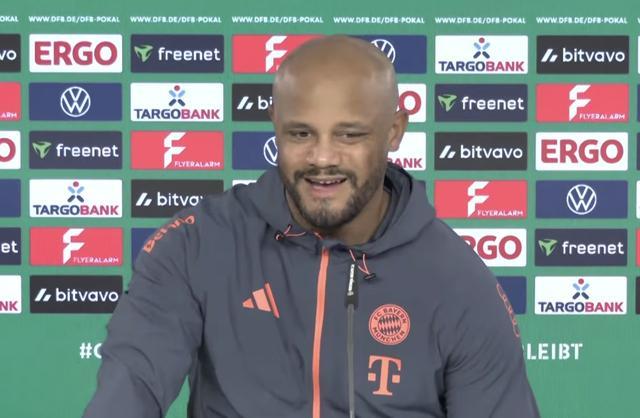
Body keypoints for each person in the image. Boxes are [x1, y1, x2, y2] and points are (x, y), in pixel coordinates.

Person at [83, 35, 540, 418]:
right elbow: (129, 389)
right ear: (275, 125)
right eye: (301, 134)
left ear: (394, 131)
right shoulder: (196, 244)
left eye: (349, 134)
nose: (322, 158)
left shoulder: (458, 283)